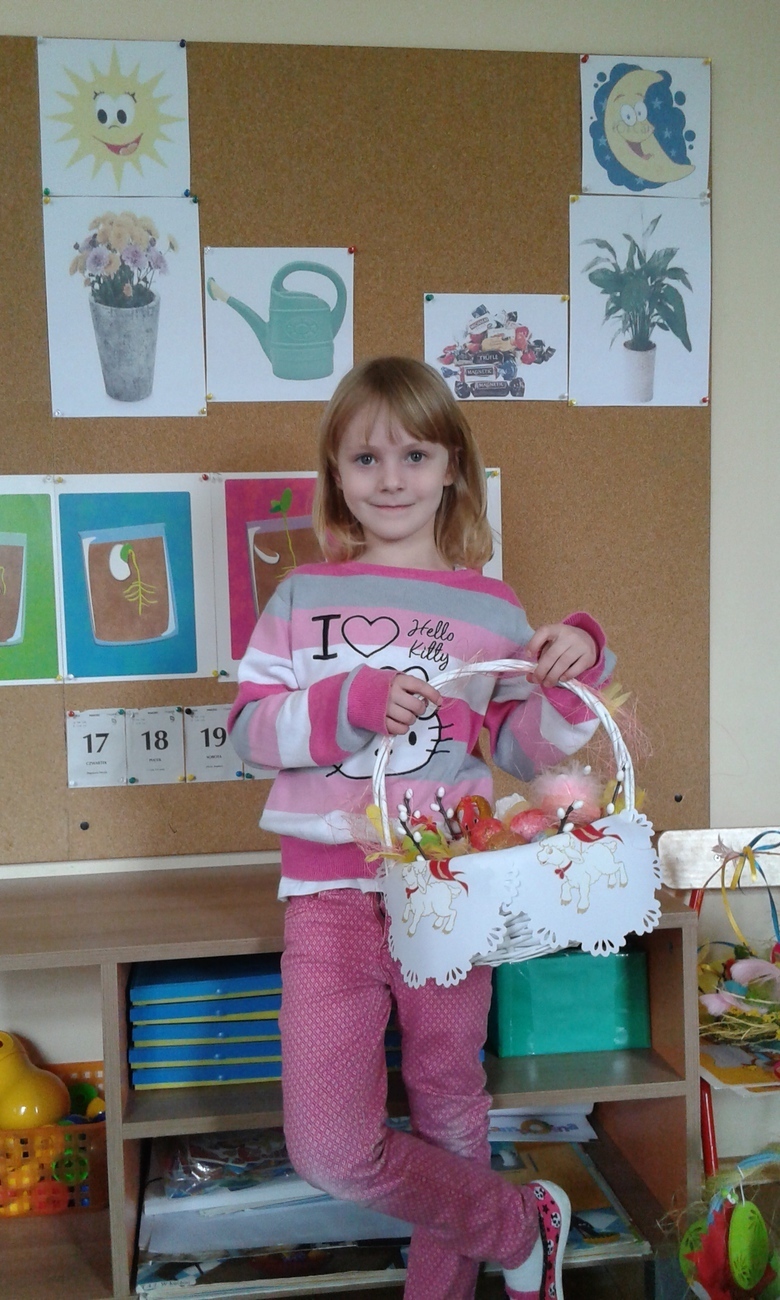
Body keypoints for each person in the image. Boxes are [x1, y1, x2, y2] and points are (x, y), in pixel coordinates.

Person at [228, 356, 614, 1300]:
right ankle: (515, 1225)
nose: (390, 478)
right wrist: (350, 703)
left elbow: (523, 748)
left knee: (450, 1110)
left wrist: (575, 670)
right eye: (366, 458)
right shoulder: (300, 596)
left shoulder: (492, 608)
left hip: (449, 890)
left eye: (414, 455)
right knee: (331, 1149)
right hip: (328, 895)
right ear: (337, 473)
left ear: (453, 469)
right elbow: (247, 734)